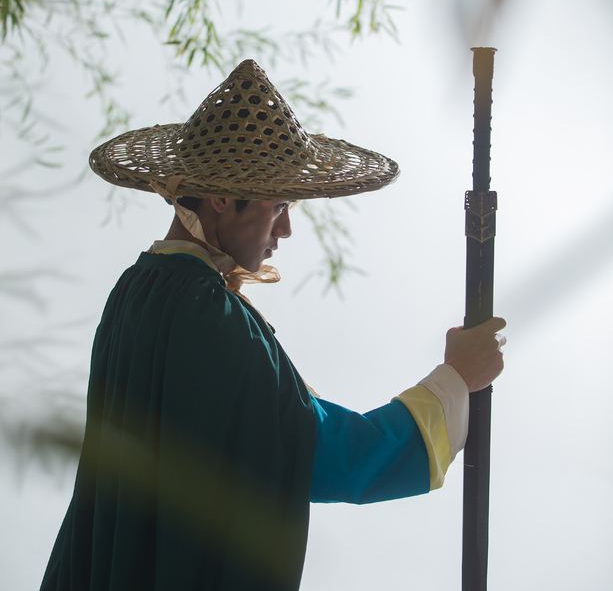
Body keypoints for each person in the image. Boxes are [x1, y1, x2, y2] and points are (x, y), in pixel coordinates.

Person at [40, 59, 505, 591]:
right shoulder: (205, 314)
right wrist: (456, 381)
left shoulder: (136, 292)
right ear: (220, 198)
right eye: (279, 206)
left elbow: (279, 420)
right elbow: (316, 449)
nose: (285, 229)